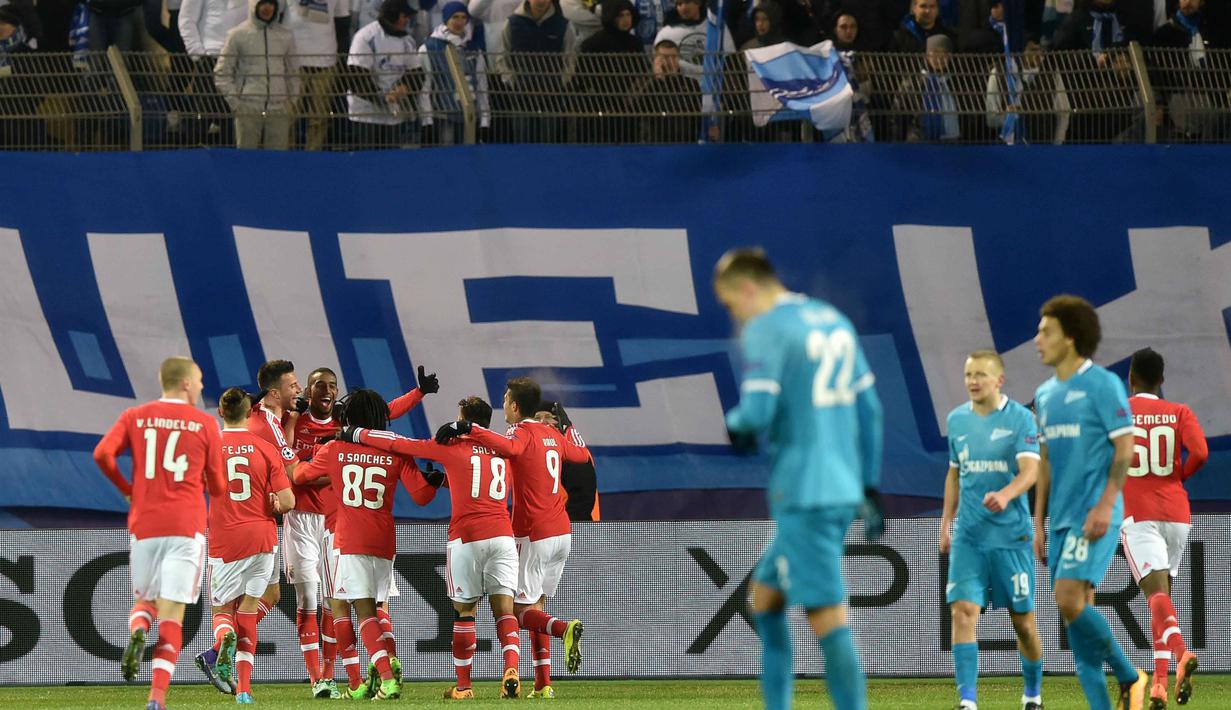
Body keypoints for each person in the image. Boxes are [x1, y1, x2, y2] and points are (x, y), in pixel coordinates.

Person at [714, 248, 883, 710]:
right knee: (764, 602)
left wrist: (735, 425)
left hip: (804, 493)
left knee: (827, 617)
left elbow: (755, 414)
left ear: (747, 289)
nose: (734, 316)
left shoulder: (766, 327)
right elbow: (870, 411)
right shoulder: (831, 320)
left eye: (730, 305)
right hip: (840, 486)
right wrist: (868, 486)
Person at [339, 396, 525, 700]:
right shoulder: (503, 452)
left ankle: (463, 687)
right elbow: (478, 479)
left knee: (465, 612)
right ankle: (511, 668)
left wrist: (355, 433)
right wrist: (448, 481)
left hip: (467, 536)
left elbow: (399, 444)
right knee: (505, 609)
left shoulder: (451, 447)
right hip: (503, 535)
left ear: (463, 419)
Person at [436, 377, 589, 698]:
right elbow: (580, 455)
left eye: (505, 400)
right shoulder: (551, 433)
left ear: (515, 406)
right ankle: (544, 685)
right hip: (562, 532)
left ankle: (563, 629)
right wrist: (566, 427)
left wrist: (468, 429)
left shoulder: (518, 433)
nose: (502, 405)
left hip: (532, 532)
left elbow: (510, 448)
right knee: (537, 606)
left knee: (521, 613)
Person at [1031, 294, 1148, 710]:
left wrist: (1106, 504)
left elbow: (1125, 447)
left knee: (1067, 598)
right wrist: (1038, 520)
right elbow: (1044, 460)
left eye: (1046, 331)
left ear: (1071, 337)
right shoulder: (1044, 395)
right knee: (1077, 626)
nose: (1037, 339)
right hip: (1060, 521)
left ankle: (1131, 675)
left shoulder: (1102, 384)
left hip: (1094, 515)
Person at [294, 364, 438, 697]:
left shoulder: (333, 449)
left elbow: (300, 476)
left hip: (347, 537)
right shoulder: (397, 451)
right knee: (377, 607)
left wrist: (292, 460)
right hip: (385, 540)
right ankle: (385, 663)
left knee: (356, 609)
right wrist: (431, 483)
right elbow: (420, 497)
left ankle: (381, 677)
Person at [92, 357, 226, 710]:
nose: (200, 386)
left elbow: (103, 453)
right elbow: (219, 487)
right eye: (198, 380)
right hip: (185, 525)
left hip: (145, 524)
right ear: (184, 383)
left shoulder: (135, 416)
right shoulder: (205, 423)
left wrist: (127, 488)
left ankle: (138, 630)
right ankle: (156, 698)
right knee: (173, 613)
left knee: (146, 602)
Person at [940, 350, 1044, 710]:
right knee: (962, 612)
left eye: (981, 374)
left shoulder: (1021, 420)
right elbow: (954, 474)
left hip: (1010, 537)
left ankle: (1033, 696)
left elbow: (1031, 471)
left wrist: (1006, 494)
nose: (973, 381)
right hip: (969, 536)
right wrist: (945, 523)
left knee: (1024, 625)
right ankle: (967, 703)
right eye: (969, 374)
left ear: (999, 380)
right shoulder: (956, 421)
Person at [1122, 347, 1208, 708]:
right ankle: (1158, 684)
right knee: (1162, 601)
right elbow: (1201, 453)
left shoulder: (1120, 412)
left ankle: (1181, 652)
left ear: (1131, 378)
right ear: (1161, 381)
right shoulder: (1179, 412)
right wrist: (1177, 479)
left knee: (1156, 597)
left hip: (1139, 515)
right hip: (1177, 515)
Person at [207, 388, 296, 705]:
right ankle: (243, 691)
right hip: (263, 538)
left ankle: (222, 639)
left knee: (222, 611)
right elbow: (288, 501)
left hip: (225, 540)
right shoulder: (266, 448)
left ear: (220, 412)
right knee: (248, 612)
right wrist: (273, 503)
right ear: (249, 414)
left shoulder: (207, 448)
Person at [213, 0, 300, 150]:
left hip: (279, 109)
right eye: (263, 4)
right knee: (246, 161)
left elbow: (293, 72)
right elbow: (222, 73)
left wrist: (291, 102)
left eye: (271, 4)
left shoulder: (286, 36)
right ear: (254, 6)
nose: (268, 8)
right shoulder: (236, 35)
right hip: (248, 108)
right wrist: (236, 104)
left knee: (277, 162)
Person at [345, 0, 423, 148]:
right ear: (393, 16)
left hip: (395, 113)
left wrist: (405, 87)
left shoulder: (408, 41)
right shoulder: (365, 37)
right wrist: (383, 97)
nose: (407, 20)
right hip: (366, 114)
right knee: (368, 159)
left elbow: (417, 72)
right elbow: (356, 77)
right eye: (404, 16)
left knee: (390, 160)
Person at [280, 0, 351, 149]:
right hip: (292, 59)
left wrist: (342, 62)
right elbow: (275, 15)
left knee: (320, 117)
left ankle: (314, 156)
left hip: (326, 59)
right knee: (289, 116)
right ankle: (285, 158)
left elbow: (342, 23)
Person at [418, 1, 491, 145]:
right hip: (444, 117)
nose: (459, 22)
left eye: (463, 17)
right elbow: (425, 89)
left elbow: (482, 86)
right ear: (446, 19)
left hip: (470, 117)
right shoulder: (429, 48)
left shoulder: (473, 49)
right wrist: (427, 121)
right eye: (455, 17)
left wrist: (485, 121)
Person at [627, 39, 702, 143]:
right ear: (655, 59)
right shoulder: (643, 82)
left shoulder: (691, 84)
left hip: (683, 145)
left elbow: (696, 118)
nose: (670, 61)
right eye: (665, 57)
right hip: (653, 144)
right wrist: (657, 81)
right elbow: (633, 107)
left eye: (674, 57)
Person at [535, 402, 600, 521]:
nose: (542, 422)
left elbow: (582, 499)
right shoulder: (542, 452)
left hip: (576, 532)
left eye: (549, 417)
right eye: (537, 418)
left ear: (560, 421)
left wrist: (569, 530)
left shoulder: (571, 450)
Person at [889, 0, 957, 52]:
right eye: (923, 6)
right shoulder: (899, 37)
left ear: (937, 10)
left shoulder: (948, 37)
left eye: (932, 6)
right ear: (914, 8)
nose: (927, 11)